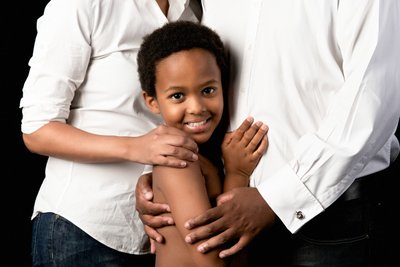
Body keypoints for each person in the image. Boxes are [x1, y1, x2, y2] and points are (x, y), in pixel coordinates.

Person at [136, 1, 400, 266]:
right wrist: (168, 172)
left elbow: (371, 99)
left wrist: (275, 199)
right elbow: (186, 53)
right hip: (222, 201)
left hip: (327, 214)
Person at [19, 0, 207, 266]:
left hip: (158, 236)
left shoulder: (194, 10)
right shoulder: (82, 6)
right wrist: (136, 148)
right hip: (82, 231)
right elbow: (37, 130)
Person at [137, 20, 268, 267]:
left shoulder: (203, 155)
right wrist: (237, 175)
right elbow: (215, 261)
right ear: (152, 102)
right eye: (178, 96)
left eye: (208, 90)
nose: (197, 108)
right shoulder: (178, 162)